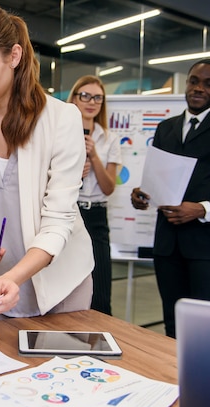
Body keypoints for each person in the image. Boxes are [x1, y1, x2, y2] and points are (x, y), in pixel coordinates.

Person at [0, 3, 94, 317]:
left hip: (59, 283)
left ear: (13, 56)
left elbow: (58, 220)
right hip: (1, 282)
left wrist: (15, 277)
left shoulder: (61, 119)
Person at [130, 58, 210, 338]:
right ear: (187, 83)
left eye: (208, 84)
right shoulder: (166, 128)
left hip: (206, 248)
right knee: (172, 323)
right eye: (194, 81)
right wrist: (142, 195)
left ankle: (206, 382)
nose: (199, 88)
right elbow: (159, 180)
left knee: (206, 328)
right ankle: (172, 380)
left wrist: (201, 209)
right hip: (167, 245)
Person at [67, 75, 122, 315]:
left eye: (97, 97)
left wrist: (94, 155)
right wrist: (75, 174)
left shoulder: (110, 139)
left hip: (97, 216)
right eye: (85, 96)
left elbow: (109, 186)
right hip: (69, 213)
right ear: (75, 99)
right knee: (68, 286)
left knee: (100, 290)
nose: (91, 102)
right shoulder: (62, 134)